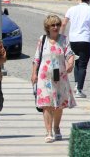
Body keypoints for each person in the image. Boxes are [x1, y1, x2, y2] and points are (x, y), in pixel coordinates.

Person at [32, 14, 77, 143]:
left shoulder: (64, 39)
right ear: (47, 27)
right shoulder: (42, 39)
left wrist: (70, 63)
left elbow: (70, 54)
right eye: (53, 25)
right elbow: (36, 58)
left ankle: (56, 128)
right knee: (47, 105)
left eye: (57, 24)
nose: (56, 27)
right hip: (44, 77)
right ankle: (49, 131)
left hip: (60, 77)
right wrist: (33, 73)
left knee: (59, 106)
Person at [60, 0, 90, 98]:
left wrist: (61, 38)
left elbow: (63, 23)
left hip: (73, 40)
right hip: (85, 40)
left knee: (76, 62)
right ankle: (79, 89)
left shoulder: (72, 9)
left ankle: (77, 84)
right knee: (82, 65)